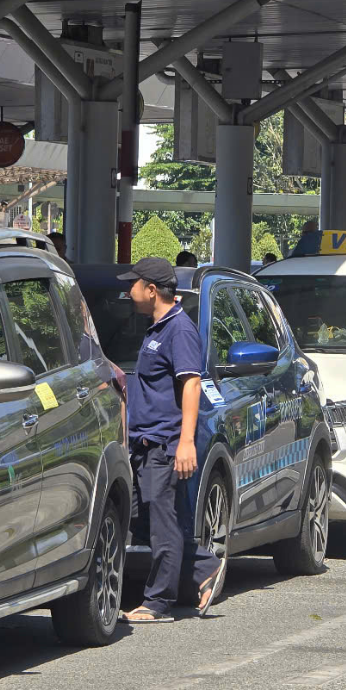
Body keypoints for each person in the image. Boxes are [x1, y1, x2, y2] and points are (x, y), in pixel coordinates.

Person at [117, 257, 223, 623]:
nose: (127, 291)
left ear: (151, 290)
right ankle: (204, 567)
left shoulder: (179, 330)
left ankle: (158, 602)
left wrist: (186, 442)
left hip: (164, 443)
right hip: (143, 443)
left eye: (133, 284)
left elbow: (191, 383)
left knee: (162, 526)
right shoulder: (157, 328)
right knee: (141, 518)